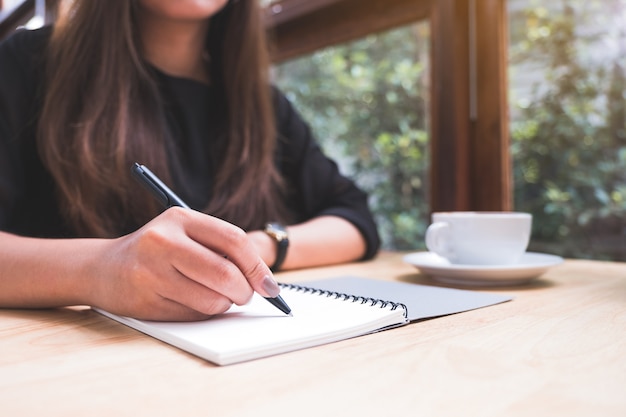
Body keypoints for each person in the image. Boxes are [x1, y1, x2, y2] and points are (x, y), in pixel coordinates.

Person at [0, 0, 380, 321]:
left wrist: (256, 248)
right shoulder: (25, 65)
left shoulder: (261, 106)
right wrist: (98, 269)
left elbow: (355, 220)